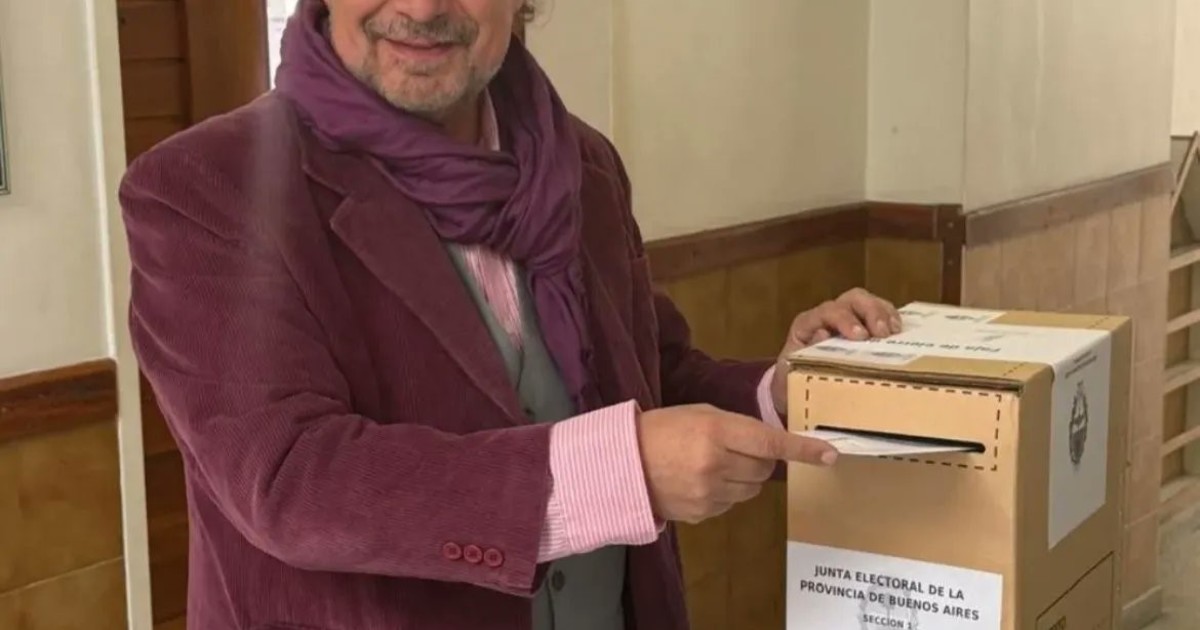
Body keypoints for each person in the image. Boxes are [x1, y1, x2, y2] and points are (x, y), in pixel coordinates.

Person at [118, 0, 901, 628]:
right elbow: (290, 479)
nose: (423, 9)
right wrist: (619, 472)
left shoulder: (582, 165)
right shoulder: (202, 186)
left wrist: (789, 392)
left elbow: (651, 374)